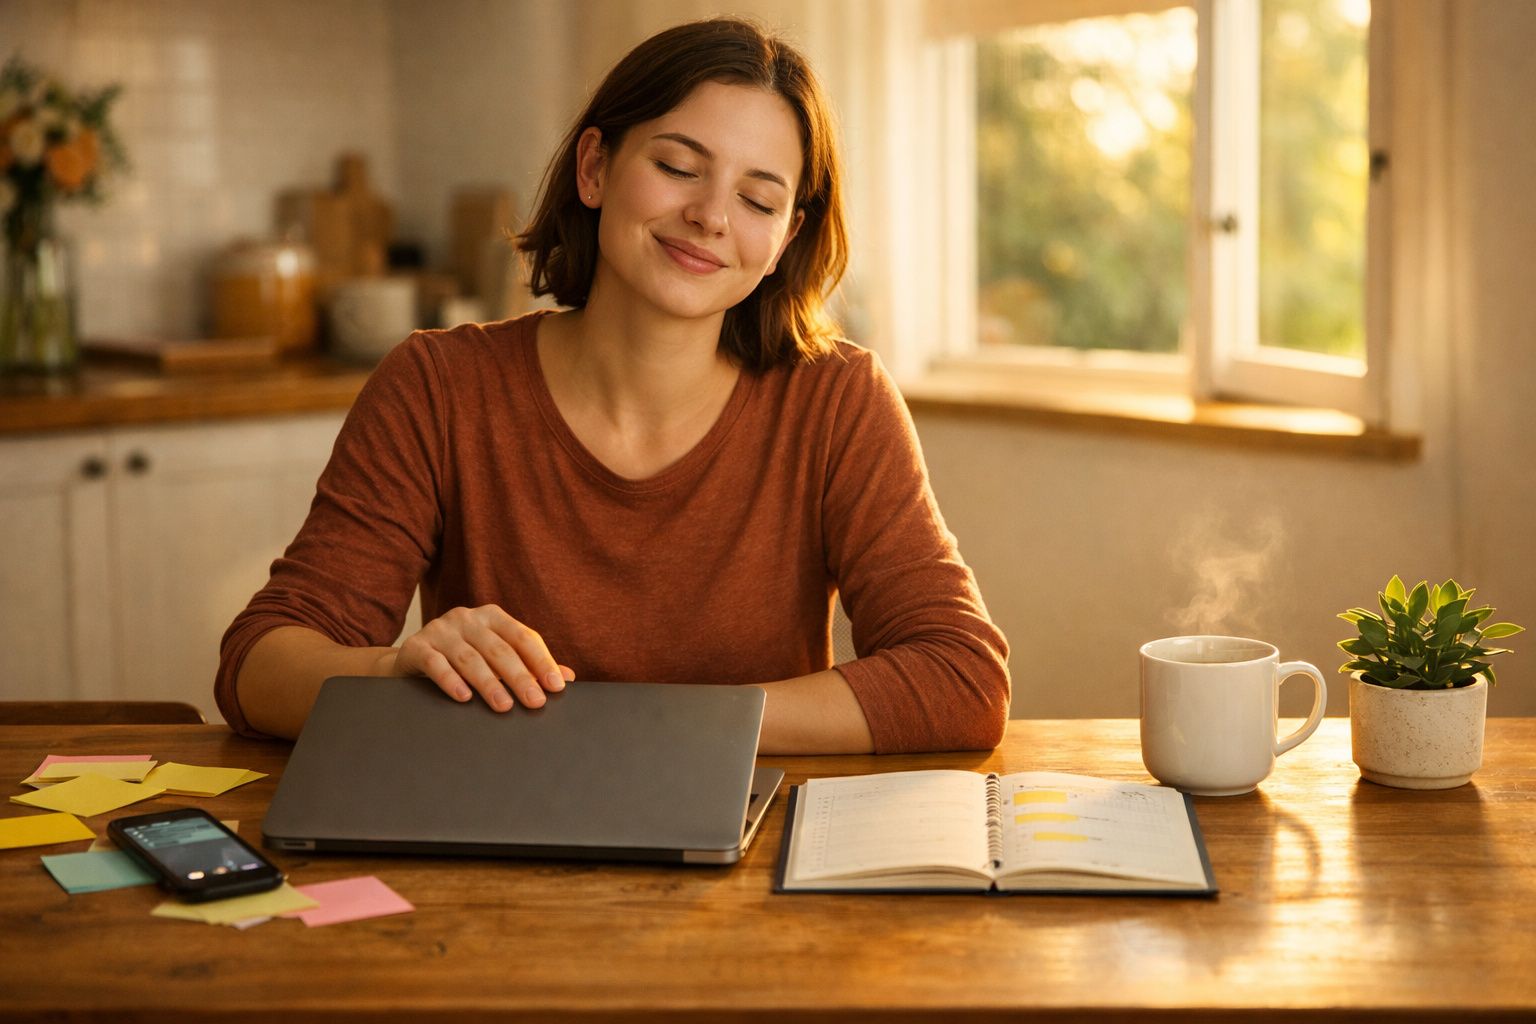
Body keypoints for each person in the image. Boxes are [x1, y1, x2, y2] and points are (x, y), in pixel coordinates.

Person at [216, 16, 1009, 754]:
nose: (711, 216)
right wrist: (393, 673)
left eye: (758, 199)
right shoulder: (438, 387)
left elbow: (961, 678)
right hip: (497, 830)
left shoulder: (837, 401)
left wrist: (665, 726)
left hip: (746, 839)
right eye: (677, 167)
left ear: (784, 238)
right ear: (595, 168)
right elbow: (257, 665)